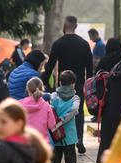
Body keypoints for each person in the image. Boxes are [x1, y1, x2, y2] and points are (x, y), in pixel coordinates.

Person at [42, 15, 93, 154]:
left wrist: (44, 81)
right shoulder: (84, 44)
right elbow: (90, 68)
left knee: (61, 111)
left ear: (65, 26)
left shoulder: (58, 43)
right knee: (79, 111)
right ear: (76, 26)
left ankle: (61, 138)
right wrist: (89, 85)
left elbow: (50, 64)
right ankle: (79, 140)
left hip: (63, 83)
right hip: (79, 84)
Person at [49, 70, 80, 163]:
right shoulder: (75, 97)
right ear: (73, 84)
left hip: (55, 136)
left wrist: (57, 123)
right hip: (70, 136)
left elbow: (50, 110)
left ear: (60, 82)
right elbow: (74, 110)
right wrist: (64, 120)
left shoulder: (54, 96)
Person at [19, 77, 55, 143]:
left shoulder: (19, 104)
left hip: (25, 142)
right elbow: (52, 125)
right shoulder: (46, 106)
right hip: (42, 143)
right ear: (42, 89)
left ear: (27, 89)